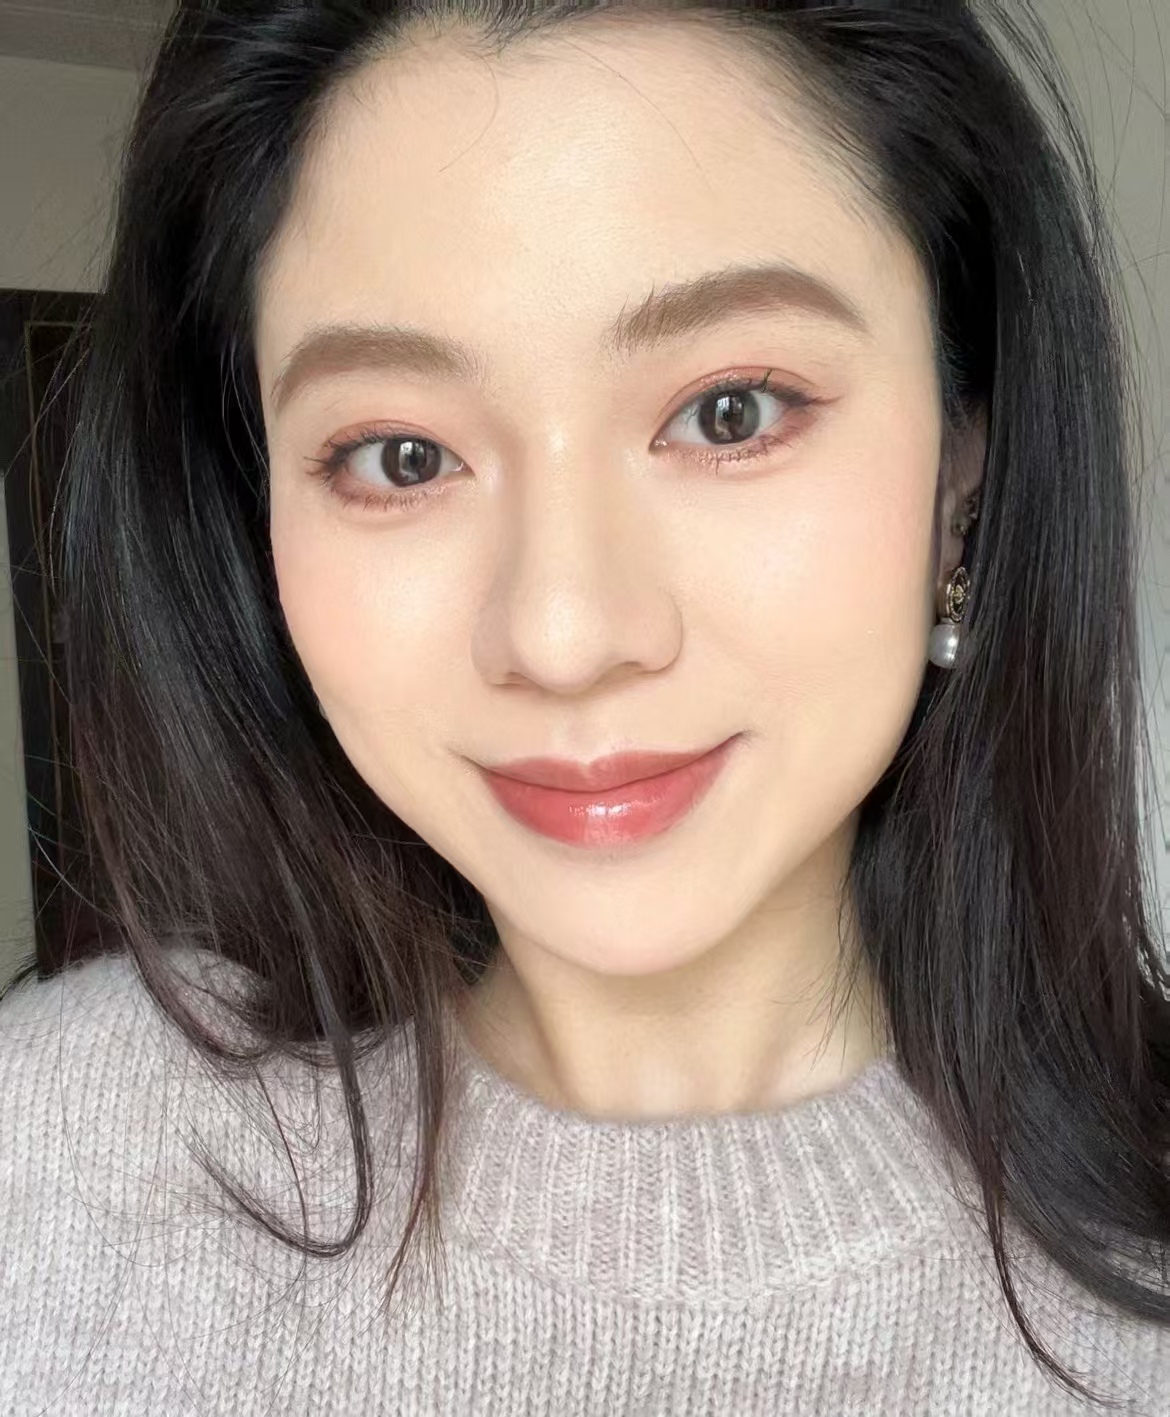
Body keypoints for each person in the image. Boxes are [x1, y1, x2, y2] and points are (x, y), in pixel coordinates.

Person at [2, 0, 1168, 1411]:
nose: (561, 636)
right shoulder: (57, 1163)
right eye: (400, 453)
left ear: (960, 473)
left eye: (731, 411)